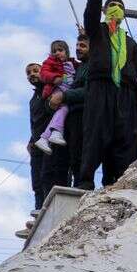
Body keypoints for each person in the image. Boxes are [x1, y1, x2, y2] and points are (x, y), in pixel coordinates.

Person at [77, 0, 137, 190]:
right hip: (100, 89)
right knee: (96, 135)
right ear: (105, 11)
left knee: (123, 140)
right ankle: (85, 183)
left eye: (119, 6)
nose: (115, 8)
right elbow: (89, 13)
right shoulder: (96, 32)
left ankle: (115, 185)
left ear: (124, 13)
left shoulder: (131, 44)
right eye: (111, 5)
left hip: (126, 95)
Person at [34, 40, 78, 152]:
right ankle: (56, 132)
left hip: (67, 92)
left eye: (60, 50)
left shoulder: (73, 63)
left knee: (62, 110)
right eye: (54, 51)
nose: (57, 53)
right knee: (64, 108)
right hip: (56, 90)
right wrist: (54, 78)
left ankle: (44, 138)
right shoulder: (50, 62)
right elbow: (44, 73)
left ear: (67, 52)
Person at [58, 34, 90, 187]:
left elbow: (89, 91)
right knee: (73, 155)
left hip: (83, 115)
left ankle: (81, 185)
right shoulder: (79, 67)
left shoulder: (92, 66)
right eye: (77, 46)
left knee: (80, 154)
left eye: (83, 46)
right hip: (73, 115)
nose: (78, 49)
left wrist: (65, 95)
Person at [26, 63, 53, 211]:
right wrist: (31, 141)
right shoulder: (33, 99)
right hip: (36, 143)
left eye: (35, 71)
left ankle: (47, 210)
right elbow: (34, 122)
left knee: (47, 177)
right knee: (36, 181)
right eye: (29, 73)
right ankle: (38, 212)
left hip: (50, 141)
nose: (32, 74)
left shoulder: (50, 91)